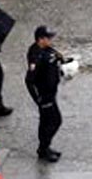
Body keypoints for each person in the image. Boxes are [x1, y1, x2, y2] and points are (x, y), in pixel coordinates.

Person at [25, 26, 65, 163]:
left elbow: (56, 60)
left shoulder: (47, 50)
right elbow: (29, 80)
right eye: (49, 38)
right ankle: (43, 148)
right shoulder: (36, 55)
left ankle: (45, 148)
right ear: (41, 39)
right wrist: (38, 99)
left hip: (51, 92)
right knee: (54, 121)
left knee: (47, 122)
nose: (51, 40)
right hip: (44, 95)